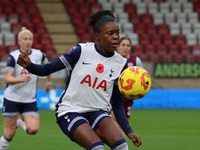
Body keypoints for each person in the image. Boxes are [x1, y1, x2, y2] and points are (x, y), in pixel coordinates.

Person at [17, 10, 142, 150]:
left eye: (117, 33)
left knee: (122, 147)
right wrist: (30, 66)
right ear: (98, 36)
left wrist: (128, 131)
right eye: (110, 33)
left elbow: (117, 102)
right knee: (97, 148)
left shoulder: (121, 63)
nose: (115, 37)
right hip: (70, 111)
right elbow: (47, 69)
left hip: (99, 112)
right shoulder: (81, 51)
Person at [0, 27, 52, 150]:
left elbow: (48, 66)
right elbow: (7, 78)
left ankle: (18, 122)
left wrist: (49, 81)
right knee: (9, 135)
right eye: (25, 39)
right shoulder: (13, 57)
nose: (28, 41)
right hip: (12, 99)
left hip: (29, 100)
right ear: (19, 41)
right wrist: (20, 79)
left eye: (30, 39)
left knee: (33, 129)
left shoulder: (39, 55)